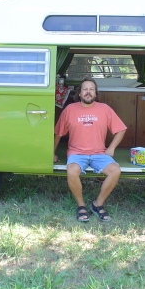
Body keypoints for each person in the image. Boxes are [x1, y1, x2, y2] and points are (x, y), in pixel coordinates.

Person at [54, 77, 127, 222]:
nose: (88, 92)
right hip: (76, 153)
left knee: (115, 171)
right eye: (85, 89)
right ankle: (81, 206)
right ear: (79, 93)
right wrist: (52, 153)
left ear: (96, 93)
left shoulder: (104, 109)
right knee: (72, 171)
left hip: (99, 153)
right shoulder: (70, 109)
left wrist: (111, 148)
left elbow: (121, 129)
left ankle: (98, 205)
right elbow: (58, 133)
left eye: (91, 89)